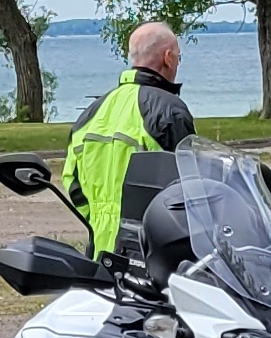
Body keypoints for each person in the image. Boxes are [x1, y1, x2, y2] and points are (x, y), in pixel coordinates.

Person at [59, 23, 197, 260]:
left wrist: (99, 219)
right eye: (178, 57)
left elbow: (72, 180)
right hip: (151, 251)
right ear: (168, 57)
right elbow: (189, 184)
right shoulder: (168, 111)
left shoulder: (92, 113)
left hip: (100, 250)